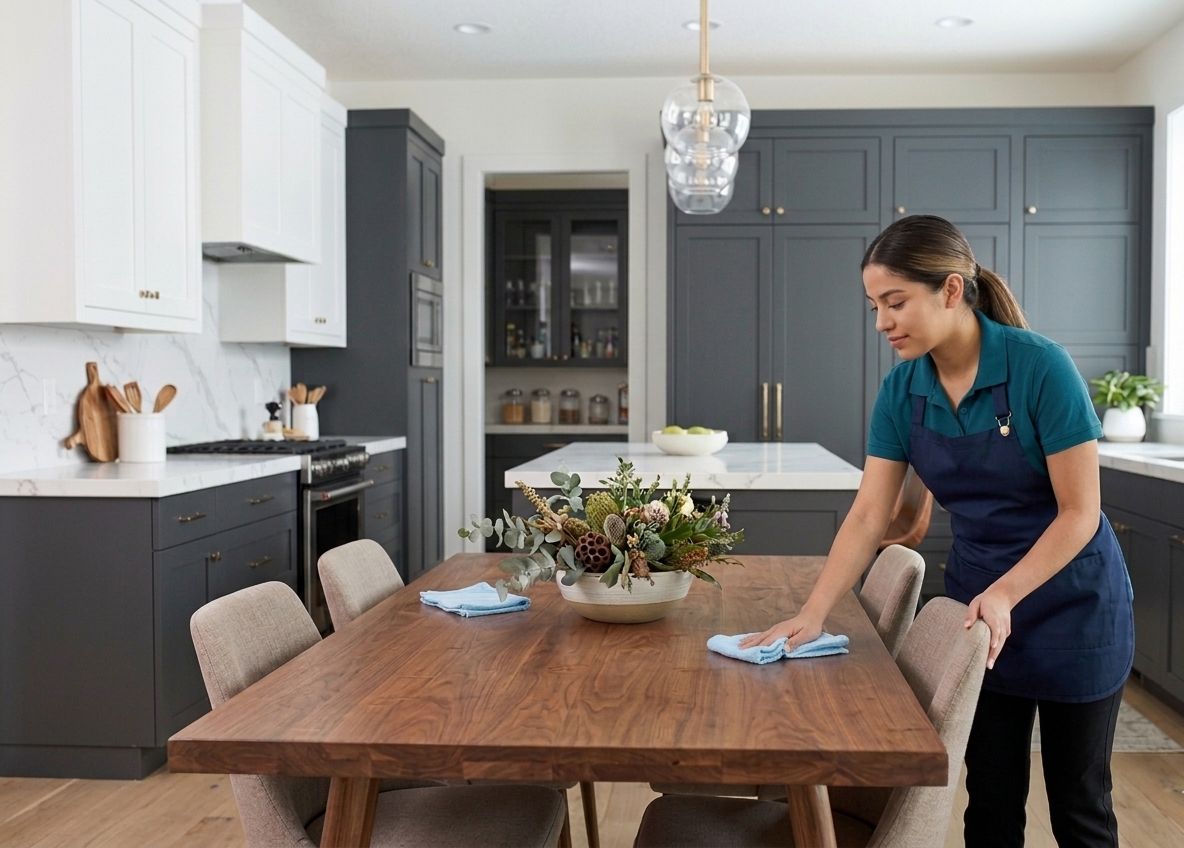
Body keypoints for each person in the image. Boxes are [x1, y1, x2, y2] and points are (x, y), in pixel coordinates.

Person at [741, 215, 1133, 848]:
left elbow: (1079, 513)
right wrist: (814, 611)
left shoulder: (1041, 369)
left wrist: (1008, 593)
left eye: (895, 303)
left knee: (1081, 807)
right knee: (991, 803)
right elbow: (870, 513)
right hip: (977, 614)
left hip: (1073, 606)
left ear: (951, 290)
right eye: (874, 305)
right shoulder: (903, 390)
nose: (881, 323)